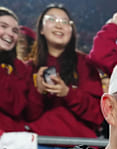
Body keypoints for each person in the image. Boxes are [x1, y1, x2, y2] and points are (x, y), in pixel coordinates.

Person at [25, 4, 104, 140]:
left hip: (79, 145)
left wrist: (68, 93)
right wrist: (38, 93)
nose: (59, 25)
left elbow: (98, 115)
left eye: (65, 22)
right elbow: (27, 116)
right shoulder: (29, 68)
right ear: (41, 29)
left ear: (71, 31)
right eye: (52, 20)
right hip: (40, 144)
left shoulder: (85, 64)